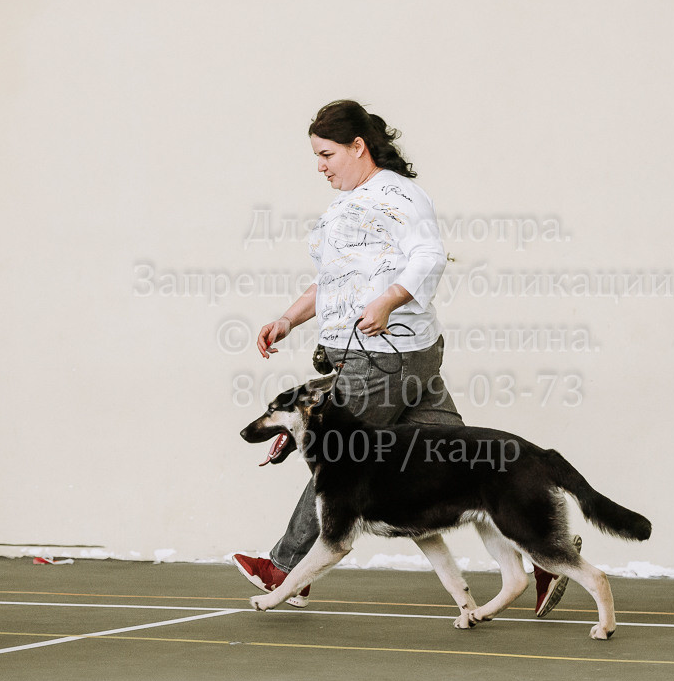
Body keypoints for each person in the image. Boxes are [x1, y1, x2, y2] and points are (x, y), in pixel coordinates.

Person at [232, 99, 575, 617]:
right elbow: (333, 282)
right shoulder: (349, 204)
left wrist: (389, 300)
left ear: (357, 147)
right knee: (463, 457)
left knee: (338, 460)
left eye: (326, 155)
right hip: (405, 358)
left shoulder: (397, 196)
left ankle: (284, 567)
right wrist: (287, 319)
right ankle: (545, 551)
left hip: (379, 355)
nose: (320, 166)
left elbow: (429, 257)